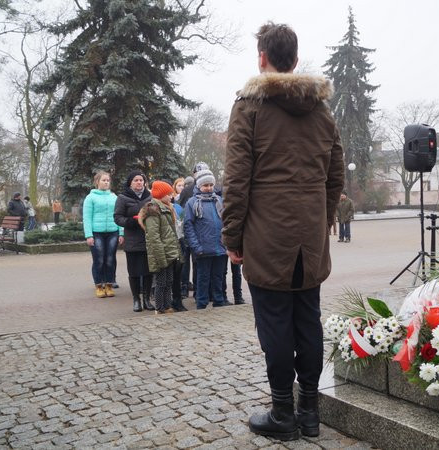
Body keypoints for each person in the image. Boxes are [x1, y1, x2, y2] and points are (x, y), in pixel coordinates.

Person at [221, 22, 344, 441]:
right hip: (309, 239)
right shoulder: (323, 112)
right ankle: (309, 413)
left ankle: (283, 414)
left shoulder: (250, 106)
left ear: (263, 58)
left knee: (274, 324)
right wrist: (321, 220)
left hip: (266, 236)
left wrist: (232, 238)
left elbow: (237, 179)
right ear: (294, 59)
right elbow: (335, 177)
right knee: (308, 321)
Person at [184, 169, 228, 309]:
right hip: (203, 249)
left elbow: (226, 221)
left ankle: (219, 302)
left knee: (218, 278)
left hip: (220, 248)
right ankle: (201, 305)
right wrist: (196, 247)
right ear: (199, 186)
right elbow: (188, 226)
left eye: (210, 185)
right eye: (205, 185)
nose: (208, 188)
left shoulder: (219, 201)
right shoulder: (192, 203)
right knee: (203, 279)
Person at [114, 170, 154, 312]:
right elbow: (117, 217)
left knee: (149, 271)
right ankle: (136, 299)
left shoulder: (150, 196)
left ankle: (147, 299)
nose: (139, 182)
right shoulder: (123, 197)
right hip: (132, 239)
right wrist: (132, 221)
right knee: (134, 272)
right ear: (130, 182)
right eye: (136, 180)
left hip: (148, 238)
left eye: (141, 180)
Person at [140, 181, 181, 315]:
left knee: (169, 281)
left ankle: (167, 305)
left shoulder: (166, 208)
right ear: (160, 195)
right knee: (161, 282)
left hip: (169, 252)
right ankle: (160, 307)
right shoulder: (153, 210)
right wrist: (161, 257)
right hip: (161, 254)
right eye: (168, 194)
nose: (171, 197)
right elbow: (154, 237)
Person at [82, 171, 124, 299]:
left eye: (108, 180)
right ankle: (99, 286)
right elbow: (87, 218)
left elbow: (119, 215)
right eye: (103, 180)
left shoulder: (114, 197)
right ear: (97, 182)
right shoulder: (90, 197)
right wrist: (89, 235)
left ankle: (109, 284)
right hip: (97, 233)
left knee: (110, 259)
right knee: (99, 260)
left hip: (113, 232)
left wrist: (121, 233)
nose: (106, 182)